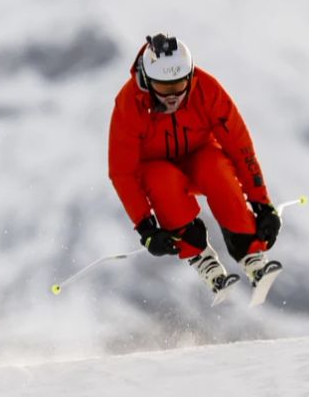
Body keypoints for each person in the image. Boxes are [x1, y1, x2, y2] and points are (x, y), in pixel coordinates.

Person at [108, 33, 283, 300]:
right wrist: (146, 228)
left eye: (179, 85)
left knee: (216, 168)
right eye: (164, 88)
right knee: (160, 178)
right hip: (156, 167)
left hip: (199, 157)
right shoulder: (129, 104)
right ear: (148, 80)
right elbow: (122, 171)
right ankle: (201, 257)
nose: (173, 96)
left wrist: (262, 203)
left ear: (190, 76)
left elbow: (239, 145)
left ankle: (250, 252)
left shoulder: (207, 90)